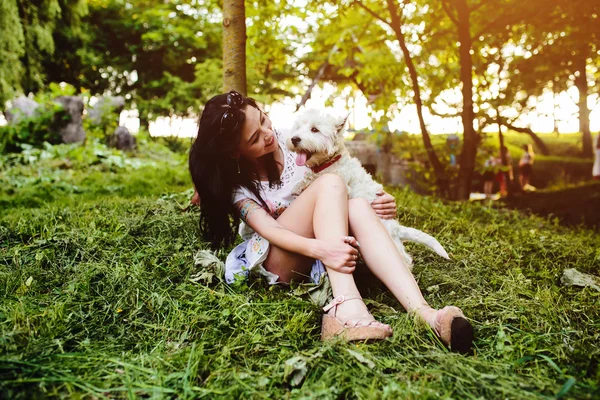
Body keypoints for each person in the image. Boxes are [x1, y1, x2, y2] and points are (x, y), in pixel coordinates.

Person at [188, 91, 474, 353]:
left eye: (264, 120)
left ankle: (425, 313)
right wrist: (321, 249)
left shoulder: (295, 139)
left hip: (321, 249)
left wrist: (378, 198)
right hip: (277, 258)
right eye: (254, 138)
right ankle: (345, 308)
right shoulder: (237, 185)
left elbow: (346, 169)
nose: (268, 134)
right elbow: (270, 229)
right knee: (329, 183)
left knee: (358, 205)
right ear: (236, 153)